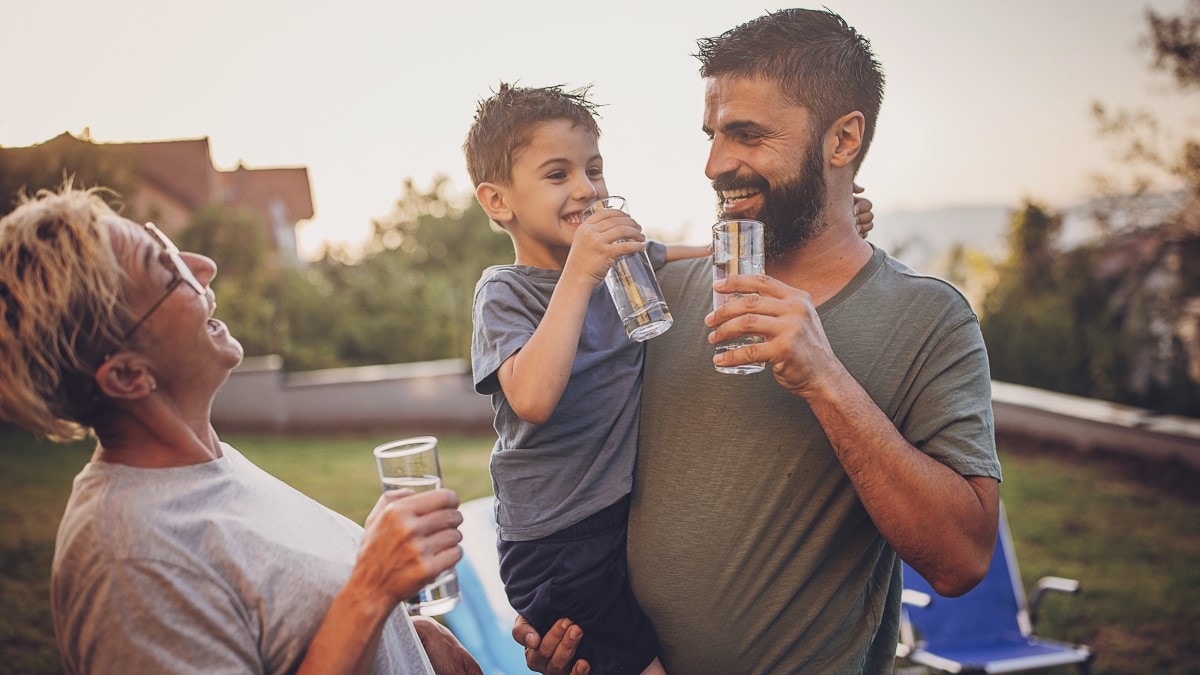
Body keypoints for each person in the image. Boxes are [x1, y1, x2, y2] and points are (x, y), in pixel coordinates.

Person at [515, 9, 1002, 674]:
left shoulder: (928, 318)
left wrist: (822, 374)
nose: (715, 163)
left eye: (746, 135)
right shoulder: (663, 297)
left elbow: (963, 559)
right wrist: (577, 628)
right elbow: (564, 456)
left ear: (843, 140)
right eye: (713, 134)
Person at [0, 186, 480, 674]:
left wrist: (404, 633)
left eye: (166, 245)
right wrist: (373, 589)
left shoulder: (205, 466)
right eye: (168, 271)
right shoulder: (130, 566)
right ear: (127, 375)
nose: (202, 265)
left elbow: (295, 630)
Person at [464, 83, 714, 674]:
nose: (586, 189)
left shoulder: (622, 265)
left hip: (619, 522)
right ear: (499, 202)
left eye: (593, 170)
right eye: (558, 174)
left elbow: (713, 253)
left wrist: (824, 230)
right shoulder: (504, 292)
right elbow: (532, 398)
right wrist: (579, 273)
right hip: (556, 545)